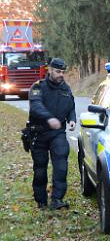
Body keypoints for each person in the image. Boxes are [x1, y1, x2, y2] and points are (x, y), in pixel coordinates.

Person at [28, 57, 76, 210]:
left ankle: (57, 199)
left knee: (61, 165)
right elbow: (35, 106)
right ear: (49, 70)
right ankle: (41, 201)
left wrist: (72, 119)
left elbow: (71, 106)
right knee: (40, 169)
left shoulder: (65, 88)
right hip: (39, 133)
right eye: (57, 71)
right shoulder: (38, 87)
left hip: (57, 133)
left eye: (62, 72)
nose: (60, 74)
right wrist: (49, 118)